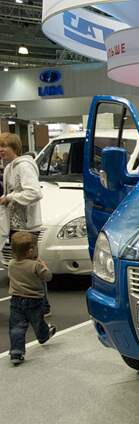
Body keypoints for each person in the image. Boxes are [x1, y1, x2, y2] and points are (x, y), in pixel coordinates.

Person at [0, 133, 50, 316]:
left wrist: (10, 197)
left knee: (33, 267)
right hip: (15, 226)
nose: (1, 150)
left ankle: (43, 306)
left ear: (14, 147)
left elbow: (34, 193)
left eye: (4, 146)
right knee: (21, 268)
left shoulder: (24, 166)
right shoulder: (9, 167)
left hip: (28, 227)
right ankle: (28, 306)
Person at [7, 231, 55, 365]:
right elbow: (48, 277)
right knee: (38, 321)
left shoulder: (11, 264)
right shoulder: (36, 265)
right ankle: (43, 336)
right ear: (30, 251)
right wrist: (44, 266)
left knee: (17, 327)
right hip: (34, 300)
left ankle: (16, 352)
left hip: (16, 300)